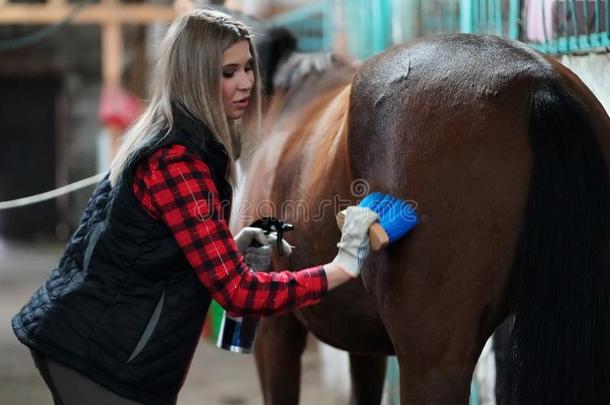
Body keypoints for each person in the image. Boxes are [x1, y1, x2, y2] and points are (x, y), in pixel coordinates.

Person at [12, 9, 383, 405]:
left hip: (96, 344)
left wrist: (231, 244)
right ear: (196, 76)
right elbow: (238, 294)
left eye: (248, 68)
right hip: (98, 356)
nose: (246, 83)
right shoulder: (177, 160)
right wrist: (341, 266)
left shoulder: (178, 139)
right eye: (228, 73)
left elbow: (154, 245)